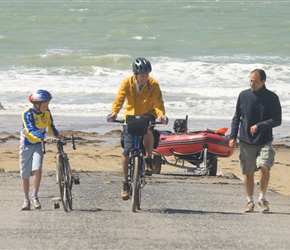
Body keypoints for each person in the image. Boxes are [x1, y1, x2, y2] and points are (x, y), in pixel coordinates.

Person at [107, 57, 168, 200]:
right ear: (135, 74)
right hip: (131, 117)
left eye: (147, 75)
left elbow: (158, 102)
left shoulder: (153, 84)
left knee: (147, 131)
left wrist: (162, 116)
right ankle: (125, 183)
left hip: (147, 115)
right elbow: (119, 100)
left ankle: (148, 159)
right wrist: (113, 113)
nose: (145, 78)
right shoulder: (127, 83)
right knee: (126, 152)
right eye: (142, 75)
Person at [229, 69, 282, 213]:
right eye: (250, 80)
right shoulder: (243, 95)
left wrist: (259, 126)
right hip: (246, 140)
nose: (252, 83)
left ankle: (262, 199)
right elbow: (236, 117)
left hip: (264, 140)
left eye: (255, 81)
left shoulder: (272, 98)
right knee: (248, 172)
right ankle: (249, 201)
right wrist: (232, 136)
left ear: (264, 82)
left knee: (265, 166)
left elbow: (277, 120)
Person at [20, 90, 62, 210]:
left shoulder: (47, 112)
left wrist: (57, 135)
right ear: (37, 104)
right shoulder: (27, 114)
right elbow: (30, 130)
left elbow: (51, 126)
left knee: (37, 169)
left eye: (48, 104)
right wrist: (43, 138)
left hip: (39, 145)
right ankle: (26, 199)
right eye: (45, 104)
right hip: (27, 144)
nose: (47, 106)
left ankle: (34, 196)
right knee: (25, 174)